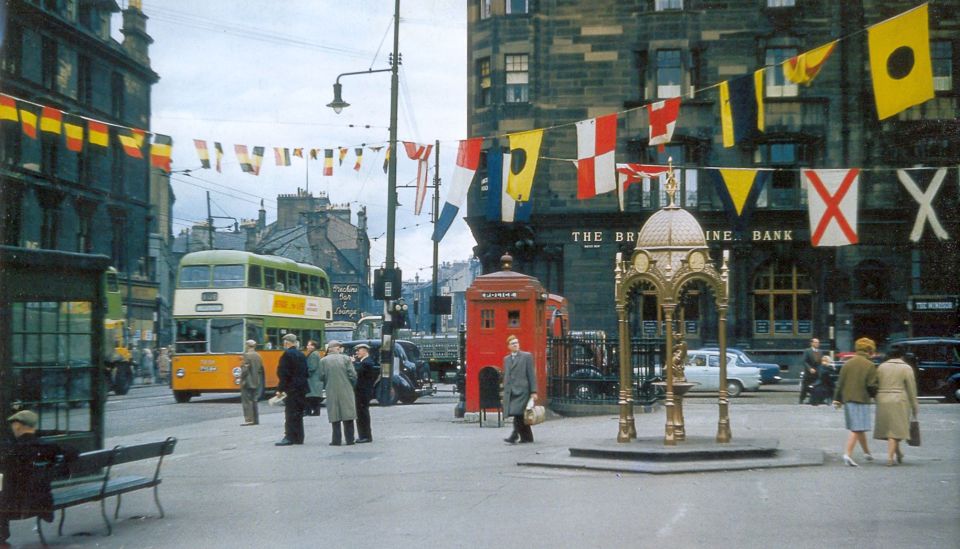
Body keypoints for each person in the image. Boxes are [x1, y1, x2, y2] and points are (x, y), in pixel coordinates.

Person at [1, 411, 78, 546]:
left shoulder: (13, 449)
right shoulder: (48, 446)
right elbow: (73, 452)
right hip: (43, 500)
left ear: (18, 425)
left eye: (13, 424)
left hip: (19, 504)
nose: (12, 428)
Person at [833, 337, 879, 467]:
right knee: (857, 428)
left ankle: (867, 453)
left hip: (848, 399)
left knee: (859, 427)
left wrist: (837, 399)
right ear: (869, 350)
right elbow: (871, 385)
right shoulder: (869, 365)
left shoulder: (847, 363)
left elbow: (840, 383)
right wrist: (876, 395)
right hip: (861, 399)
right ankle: (847, 454)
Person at [873, 347, 919, 466]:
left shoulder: (881, 367)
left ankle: (898, 453)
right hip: (899, 400)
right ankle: (890, 458)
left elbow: (875, 383)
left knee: (890, 429)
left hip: (882, 399)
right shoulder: (906, 368)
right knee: (895, 430)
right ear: (901, 356)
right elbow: (911, 388)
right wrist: (914, 406)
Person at [319, 341, 357, 446]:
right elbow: (353, 374)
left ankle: (336, 440)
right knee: (348, 415)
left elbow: (320, 376)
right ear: (337, 348)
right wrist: (351, 384)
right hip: (346, 389)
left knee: (334, 415)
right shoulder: (345, 359)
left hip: (331, 390)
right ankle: (350, 439)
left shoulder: (323, 361)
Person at [502, 335, 538, 444]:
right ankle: (527, 437)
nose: (516, 344)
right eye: (513, 343)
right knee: (520, 415)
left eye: (517, 342)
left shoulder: (526, 356)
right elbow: (507, 375)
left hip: (523, 391)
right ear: (509, 346)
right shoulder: (506, 359)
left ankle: (514, 435)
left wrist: (533, 391)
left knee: (517, 413)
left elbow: (531, 374)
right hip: (511, 392)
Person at [275, 333, 308, 446]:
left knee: (290, 413)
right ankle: (299, 437)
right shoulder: (301, 355)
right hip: (302, 388)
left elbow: (284, 374)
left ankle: (289, 437)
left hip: (291, 389)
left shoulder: (286, 355)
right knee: (298, 413)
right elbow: (306, 372)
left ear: (286, 343)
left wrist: (280, 389)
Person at [353, 343, 377, 443]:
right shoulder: (363, 362)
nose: (357, 352)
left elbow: (359, 371)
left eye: (359, 350)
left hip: (363, 392)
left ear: (365, 351)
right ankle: (363, 435)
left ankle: (365, 436)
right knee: (360, 413)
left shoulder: (367, 362)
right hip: (361, 392)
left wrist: (353, 363)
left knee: (363, 414)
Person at [239, 339, 264, 426]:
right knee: (254, 400)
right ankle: (256, 420)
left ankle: (249, 420)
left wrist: (242, 379)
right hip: (256, 381)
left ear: (247, 346)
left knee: (247, 401)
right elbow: (260, 369)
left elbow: (245, 370)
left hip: (247, 382)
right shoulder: (258, 356)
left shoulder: (246, 355)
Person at [304, 340, 324, 417]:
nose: (307, 347)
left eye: (309, 345)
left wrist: (306, 373)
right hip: (314, 379)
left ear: (313, 346)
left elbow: (312, 367)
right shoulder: (314, 354)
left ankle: (313, 411)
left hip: (313, 379)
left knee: (312, 396)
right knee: (312, 396)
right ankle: (313, 411)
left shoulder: (313, 355)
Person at [800, 338, 821, 404]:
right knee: (805, 388)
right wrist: (810, 368)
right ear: (812, 343)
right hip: (808, 374)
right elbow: (804, 361)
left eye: (818, 342)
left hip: (817, 373)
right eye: (816, 342)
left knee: (816, 387)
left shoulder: (820, 351)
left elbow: (821, 361)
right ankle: (801, 399)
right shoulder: (807, 351)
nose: (817, 344)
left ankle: (814, 400)